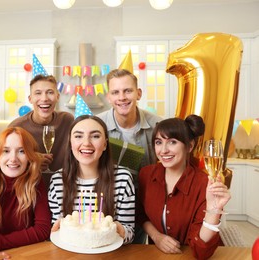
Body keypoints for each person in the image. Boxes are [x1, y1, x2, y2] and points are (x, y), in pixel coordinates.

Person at [136, 115, 231, 259]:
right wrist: (157, 237)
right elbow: (140, 214)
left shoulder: (204, 184)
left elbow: (201, 252)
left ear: (190, 146)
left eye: (172, 142)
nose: (163, 150)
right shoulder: (146, 174)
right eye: (158, 142)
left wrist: (213, 210)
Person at [48, 115, 136, 244]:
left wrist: (118, 229)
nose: (86, 143)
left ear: (105, 144)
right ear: (70, 143)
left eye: (95, 136)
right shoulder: (58, 181)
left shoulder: (123, 178)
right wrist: (57, 228)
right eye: (78, 136)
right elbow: (58, 232)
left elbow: (130, 233)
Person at [97, 68, 163, 170]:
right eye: (115, 92)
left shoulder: (157, 125)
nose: (122, 97)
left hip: (147, 185)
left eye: (128, 91)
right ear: (108, 97)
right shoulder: (97, 125)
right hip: (111, 185)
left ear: (139, 94)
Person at [8, 74, 74, 172]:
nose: (44, 98)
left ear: (57, 97)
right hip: (28, 183)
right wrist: (31, 160)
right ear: (30, 99)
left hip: (61, 183)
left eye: (50, 92)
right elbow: (5, 160)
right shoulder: (17, 127)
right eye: (38, 93)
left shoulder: (67, 120)